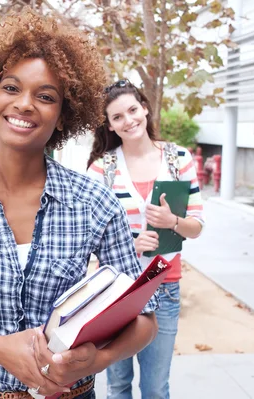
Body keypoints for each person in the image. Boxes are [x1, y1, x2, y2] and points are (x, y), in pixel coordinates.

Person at [0, 10, 159, 399]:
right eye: (11, 88)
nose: (24, 104)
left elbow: (143, 317)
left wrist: (98, 359)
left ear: (62, 117)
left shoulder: (94, 202)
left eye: (45, 96)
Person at [86, 80, 205, 399]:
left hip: (163, 284)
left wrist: (173, 221)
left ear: (145, 108)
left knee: (155, 387)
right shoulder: (102, 168)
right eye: (118, 117)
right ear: (110, 126)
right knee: (118, 385)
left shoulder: (177, 158)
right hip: (117, 289)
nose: (129, 120)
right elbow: (88, 237)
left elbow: (196, 226)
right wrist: (128, 245)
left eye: (132, 110)